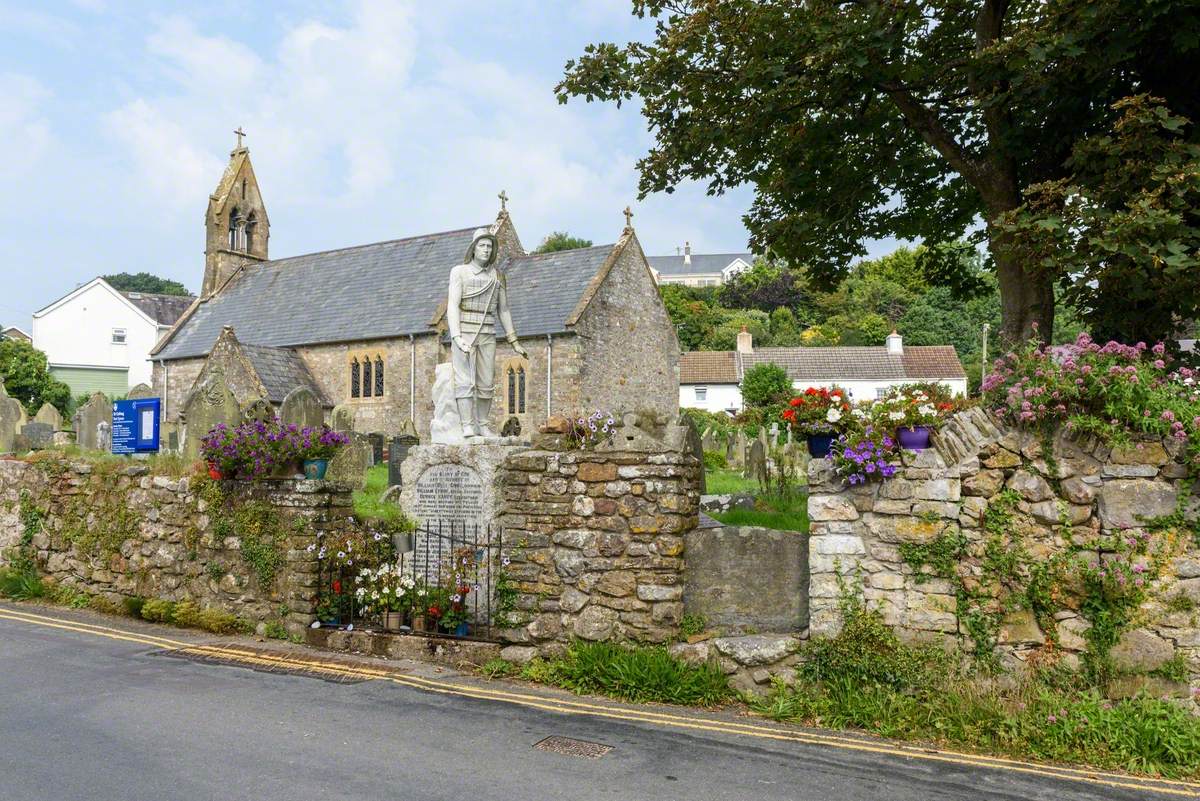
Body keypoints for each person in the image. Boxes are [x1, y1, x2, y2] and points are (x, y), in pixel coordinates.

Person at [446, 227, 528, 438]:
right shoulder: (459, 272)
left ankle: (482, 424)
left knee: (486, 382)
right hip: (464, 331)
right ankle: (467, 426)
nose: (485, 250)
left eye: (489, 246)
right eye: (482, 245)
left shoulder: (498, 276)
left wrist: (514, 341)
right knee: (464, 381)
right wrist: (456, 337)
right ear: (473, 249)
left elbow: (504, 309)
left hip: (487, 332)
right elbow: (452, 306)